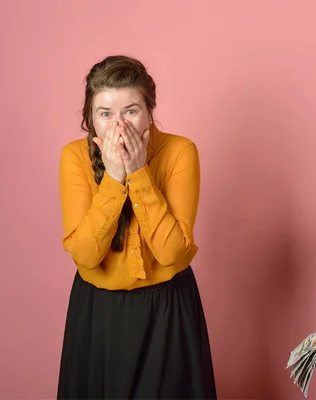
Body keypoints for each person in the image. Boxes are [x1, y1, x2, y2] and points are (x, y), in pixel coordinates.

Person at [57, 55, 217, 399]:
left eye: (130, 111)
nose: (118, 127)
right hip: (97, 312)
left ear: (149, 111)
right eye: (105, 114)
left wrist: (138, 172)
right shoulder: (73, 157)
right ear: (90, 118)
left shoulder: (179, 151)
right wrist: (114, 178)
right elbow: (85, 254)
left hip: (168, 309)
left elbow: (172, 252)